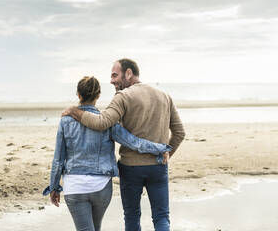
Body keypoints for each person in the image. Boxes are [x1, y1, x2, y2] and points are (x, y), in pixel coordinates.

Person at [62, 59, 186, 231]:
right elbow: (180, 133)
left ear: (128, 73)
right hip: (158, 166)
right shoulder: (164, 96)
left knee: (132, 216)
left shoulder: (123, 96)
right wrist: (167, 154)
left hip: (131, 168)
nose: (112, 81)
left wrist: (75, 111)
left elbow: (102, 122)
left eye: (115, 75)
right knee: (161, 216)